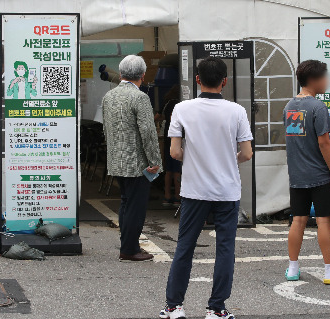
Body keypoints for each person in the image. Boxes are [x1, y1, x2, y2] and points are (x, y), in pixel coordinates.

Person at [160, 57, 253, 319]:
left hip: (194, 190)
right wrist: (226, 159)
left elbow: (175, 152)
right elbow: (247, 153)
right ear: (225, 81)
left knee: (184, 246)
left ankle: (173, 306)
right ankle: (217, 308)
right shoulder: (237, 111)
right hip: (227, 190)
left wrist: (195, 157)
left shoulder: (181, 108)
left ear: (198, 80)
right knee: (225, 248)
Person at [283, 60, 330, 285]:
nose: (327, 81)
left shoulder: (289, 107)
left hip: (297, 176)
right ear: (314, 80)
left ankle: (293, 268)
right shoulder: (318, 107)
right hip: (319, 175)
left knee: (298, 220)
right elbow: (324, 143)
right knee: (324, 222)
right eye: (324, 77)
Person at [102, 55, 162, 262]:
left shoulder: (109, 96)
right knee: (136, 207)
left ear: (120, 74)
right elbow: (148, 131)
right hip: (137, 163)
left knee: (126, 203)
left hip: (116, 160)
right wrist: (155, 160)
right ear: (143, 76)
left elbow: (105, 129)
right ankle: (129, 249)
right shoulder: (140, 98)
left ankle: (128, 245)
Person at [160, 85, 182, 207]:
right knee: (177, 169)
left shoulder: (167, 103)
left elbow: (160, 116)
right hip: (177, 136)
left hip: (167, 135)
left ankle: (167, 195)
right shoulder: (179, 104)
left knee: (168, 169)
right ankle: (178, 196)